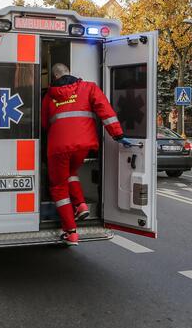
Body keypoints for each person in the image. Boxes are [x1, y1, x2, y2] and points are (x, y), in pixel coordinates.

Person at [41, 63, 132, 246]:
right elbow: (105, 111)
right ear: (69, 73)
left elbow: (44, 123)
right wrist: (118, 135)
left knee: (58, 187)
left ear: (55, 77)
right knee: (71, 173)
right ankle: (81, 205)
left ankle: (71, 232)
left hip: (58, 147)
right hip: (83, 145)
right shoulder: (89, 87)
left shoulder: (50, 96)